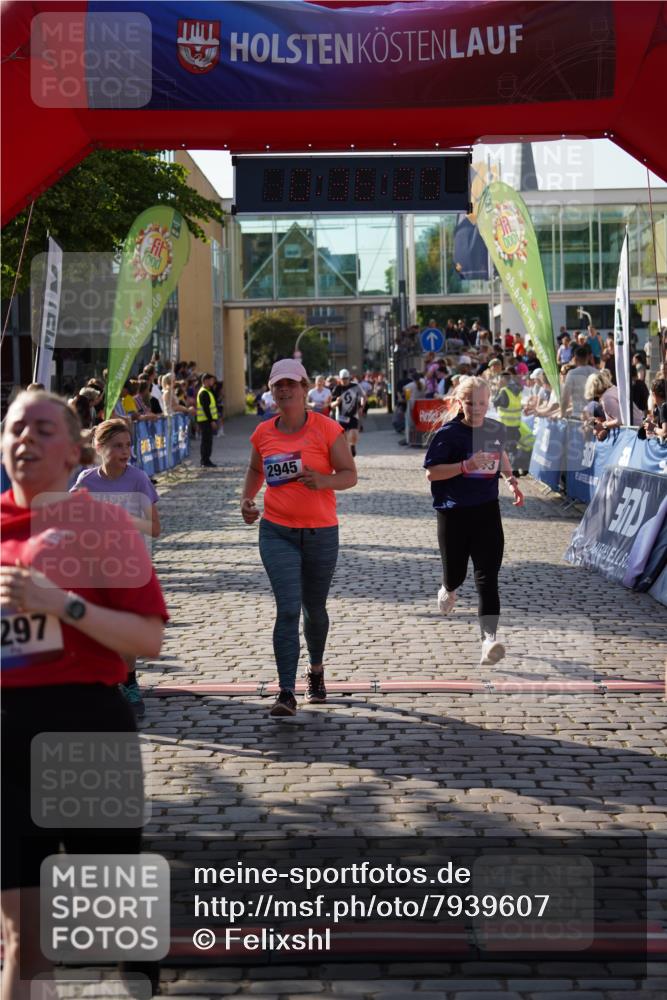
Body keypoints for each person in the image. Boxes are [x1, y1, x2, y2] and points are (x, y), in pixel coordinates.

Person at [1, 390, 168, 998]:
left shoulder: (100, 524)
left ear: (73, 451)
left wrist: (63, 605)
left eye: (44, 430)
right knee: (23, 937)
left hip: (86, 730)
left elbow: (147, 637)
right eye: (16, 429)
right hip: (5, 739)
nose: (26, 440)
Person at [239, 359, 357, 717]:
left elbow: (349, 474)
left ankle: (316, 669)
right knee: (288, 608)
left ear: (306, 388)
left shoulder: (327, 429)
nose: (285, 390)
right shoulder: (263, 433)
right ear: (271, 391)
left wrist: (323, 481)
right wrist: (247, 499)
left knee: (314, 609)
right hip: (277, 531)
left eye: (291, 384)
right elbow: (256, 469)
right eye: (278, 385)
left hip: (321, 531)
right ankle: (286, 692)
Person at [423, 376, 524, 666]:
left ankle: (488, 640)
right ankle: (448, 588)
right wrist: (465, 466)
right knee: (456, 574)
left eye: (481, 403)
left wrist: (511, 480)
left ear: (488, 402)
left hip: (486, 511)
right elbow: (432, 473)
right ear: (460, 403)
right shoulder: (449, 434)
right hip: (453, 512)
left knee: (487, 579)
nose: (476, 408)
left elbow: (500, 455)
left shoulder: (494, 429)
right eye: (470, 402)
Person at [72, 418, 161, 716]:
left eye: (128, 445)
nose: (125, 451)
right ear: (100, 448)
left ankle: (130, 682)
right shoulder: (86, 481)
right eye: (117, 446)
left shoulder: (138, 479)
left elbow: (155, 527)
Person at [330, 369, 366, 457]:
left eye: (346, 378)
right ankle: (346, 452)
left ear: (349, 378)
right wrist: (337, 402)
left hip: (353, 414)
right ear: (340, 379)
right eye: (343, 379)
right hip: (341, 416)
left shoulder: (355, 386)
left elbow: (363, 396)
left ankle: (352, 446)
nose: (345, 381)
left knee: (354, 434)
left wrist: (362, 403)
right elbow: (331, 405)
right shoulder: (337, 388)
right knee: (343, 437)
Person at [196, 373, 219, 468]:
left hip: (206, 421)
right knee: (206, 441)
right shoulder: (204, 392)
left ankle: (206, 459)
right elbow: (206, 408)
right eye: (211, 380)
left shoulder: (207, 391)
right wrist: (211, 421)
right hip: (205, 421)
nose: (213, 382)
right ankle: (204, 460)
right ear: (205, 381)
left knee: (208, 441)